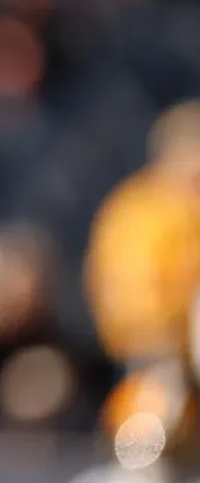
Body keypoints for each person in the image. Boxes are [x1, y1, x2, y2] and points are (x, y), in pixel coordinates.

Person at [85, 99, 200, 477]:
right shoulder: (137, 217)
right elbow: (133, 313)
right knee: (156, 410)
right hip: (158, 361)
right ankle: (142, 464)